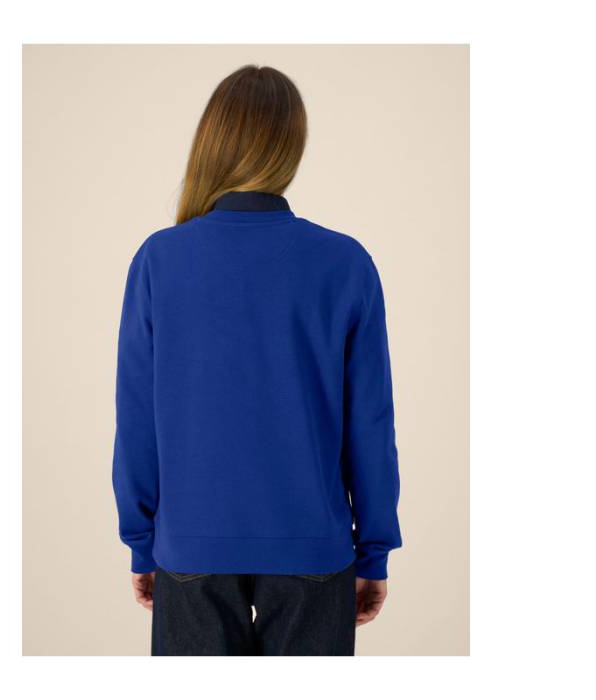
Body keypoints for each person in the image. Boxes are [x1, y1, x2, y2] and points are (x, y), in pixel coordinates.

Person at [112, 65, 402, 656]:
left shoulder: (159, 260)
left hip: (190, 549)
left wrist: (143, 543)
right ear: (290, 147)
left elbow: (136, 417)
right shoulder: (344, 263)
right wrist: (372, 552)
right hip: (313, 549)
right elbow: (370, 425)